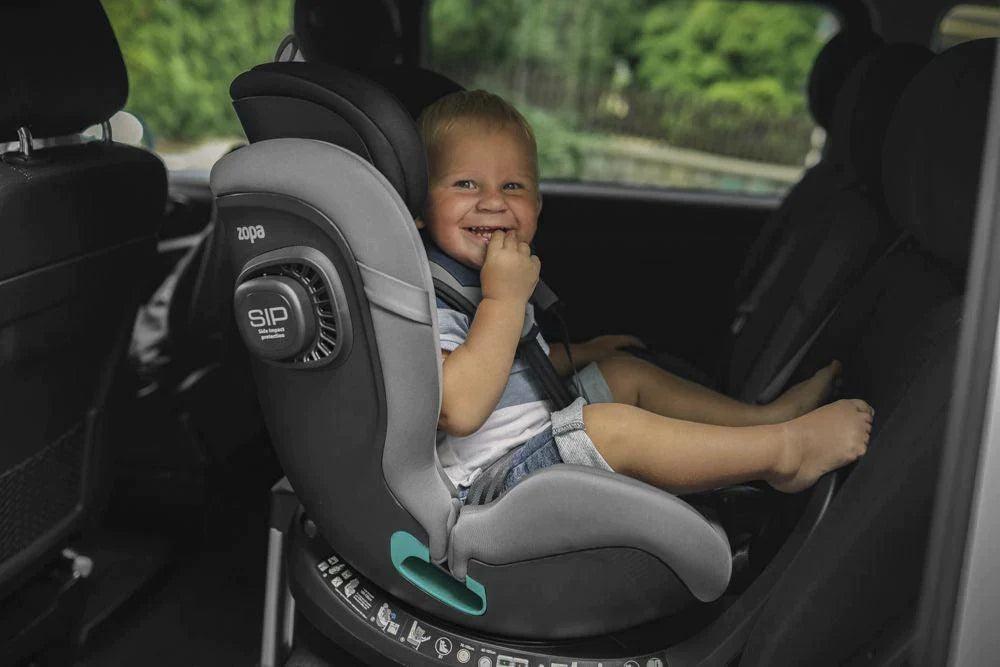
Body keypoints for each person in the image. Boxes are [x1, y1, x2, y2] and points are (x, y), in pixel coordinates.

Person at [417, 90, 873, 501]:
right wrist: (504, 301)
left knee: (624, 373)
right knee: (606, 427)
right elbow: (459, 407)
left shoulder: (488, 275)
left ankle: (766, 419)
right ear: (418, 205)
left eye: (512, 186)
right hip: (487, 483)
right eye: (465, 184)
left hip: (528, 437)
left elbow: (510, 364)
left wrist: (587, 352)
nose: (493, 201)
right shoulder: (426, 292)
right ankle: (784, 454)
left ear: (537, 205)